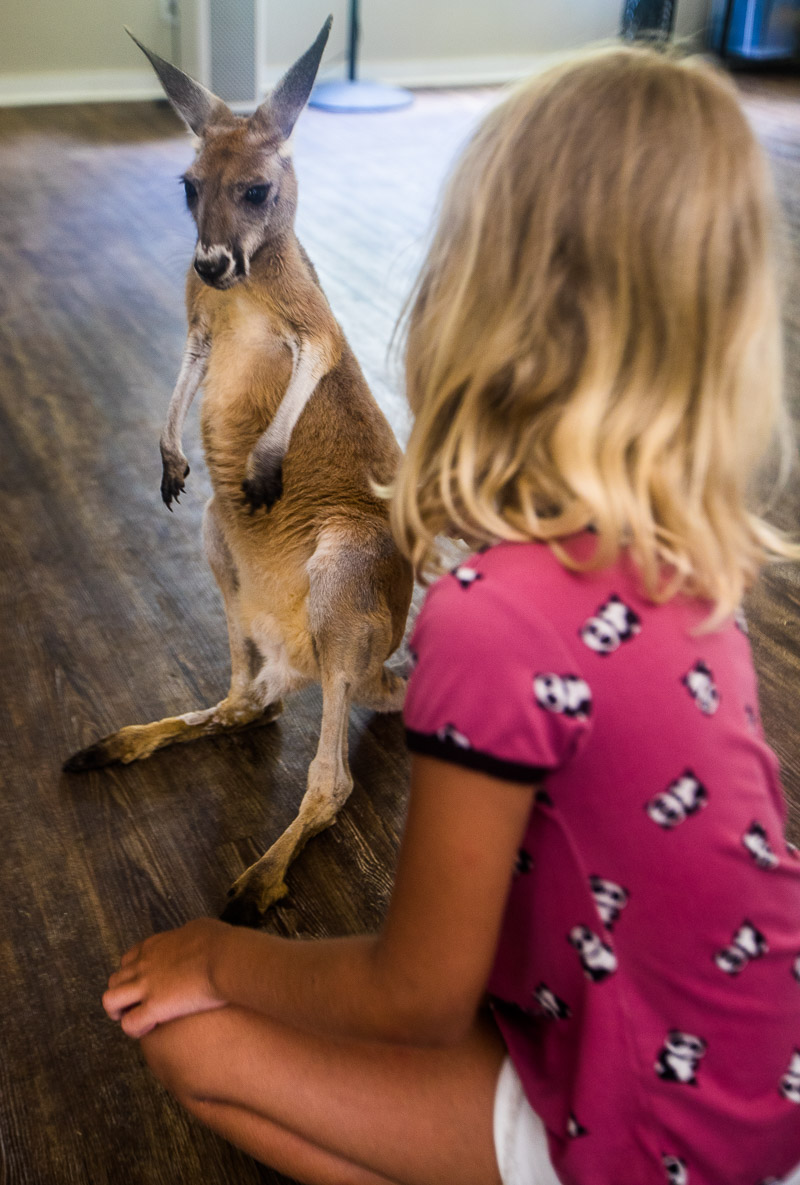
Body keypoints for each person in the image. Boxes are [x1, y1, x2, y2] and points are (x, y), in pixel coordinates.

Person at [102, 47, 800, 1185]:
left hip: (657, 1134)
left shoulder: (491, 617)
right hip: (755, 1064)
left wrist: (221, 958)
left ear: (463, 307)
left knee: (191, 1044)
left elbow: (410, 999)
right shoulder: (694, 565)